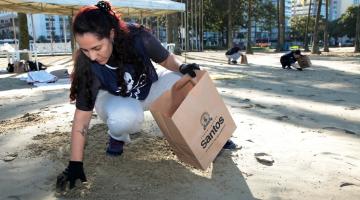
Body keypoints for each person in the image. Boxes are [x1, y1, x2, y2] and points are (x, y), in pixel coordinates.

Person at [56, 1, 238, 190]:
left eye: (97, 48)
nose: (92, 56)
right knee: (125, 119)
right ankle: (117, 136)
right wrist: (75, 164)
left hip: (149, 86)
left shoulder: (137, 37)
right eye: (85, 50)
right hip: (113, 98)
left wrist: (181, 67)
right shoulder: (88, 66)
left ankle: (216, 134)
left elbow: (166, 59)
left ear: (111, 33)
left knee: (187, 82)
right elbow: (82, 120)